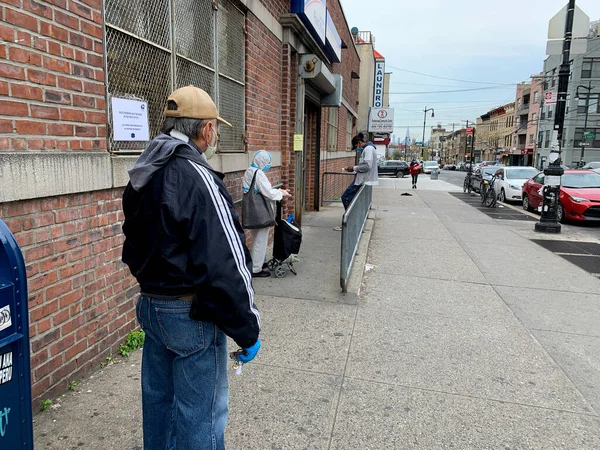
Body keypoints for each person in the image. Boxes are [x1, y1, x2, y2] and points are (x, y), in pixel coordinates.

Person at [122, 85, 261, 450]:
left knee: (160, 406)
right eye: (215, 127)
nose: (215, 134)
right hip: (189, 314)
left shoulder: (144, 171)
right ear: (205, 130)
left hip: (152, 306)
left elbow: (132, 241)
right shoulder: (196, 176)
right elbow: (226, 260)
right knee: (201, 417)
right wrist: (248, 328)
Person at [243, 150, 290, 278]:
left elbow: (260, 189)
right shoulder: (259, 173)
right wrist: (281, 193)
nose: (269, 165)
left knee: (256, 239)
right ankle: (256, 269)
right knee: (260, 240)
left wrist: (277, 191)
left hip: (253, 211)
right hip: (260, 212)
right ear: (262, 161)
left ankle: (256, 263)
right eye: (268, 162)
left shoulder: (250, 170)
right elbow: (267, 192)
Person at [334, 135, 378, 230]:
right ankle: (352, 221)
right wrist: (353, 169)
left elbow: (367, 166)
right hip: (362, 179)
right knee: (350, 199)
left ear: (359, 143)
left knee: (346, 197)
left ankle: (350, 221)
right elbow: (365, 166)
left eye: (356, 146)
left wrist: (353, 168)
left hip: (362, 181)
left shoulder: (368, 149)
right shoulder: (368, 149)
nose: (357, 149)